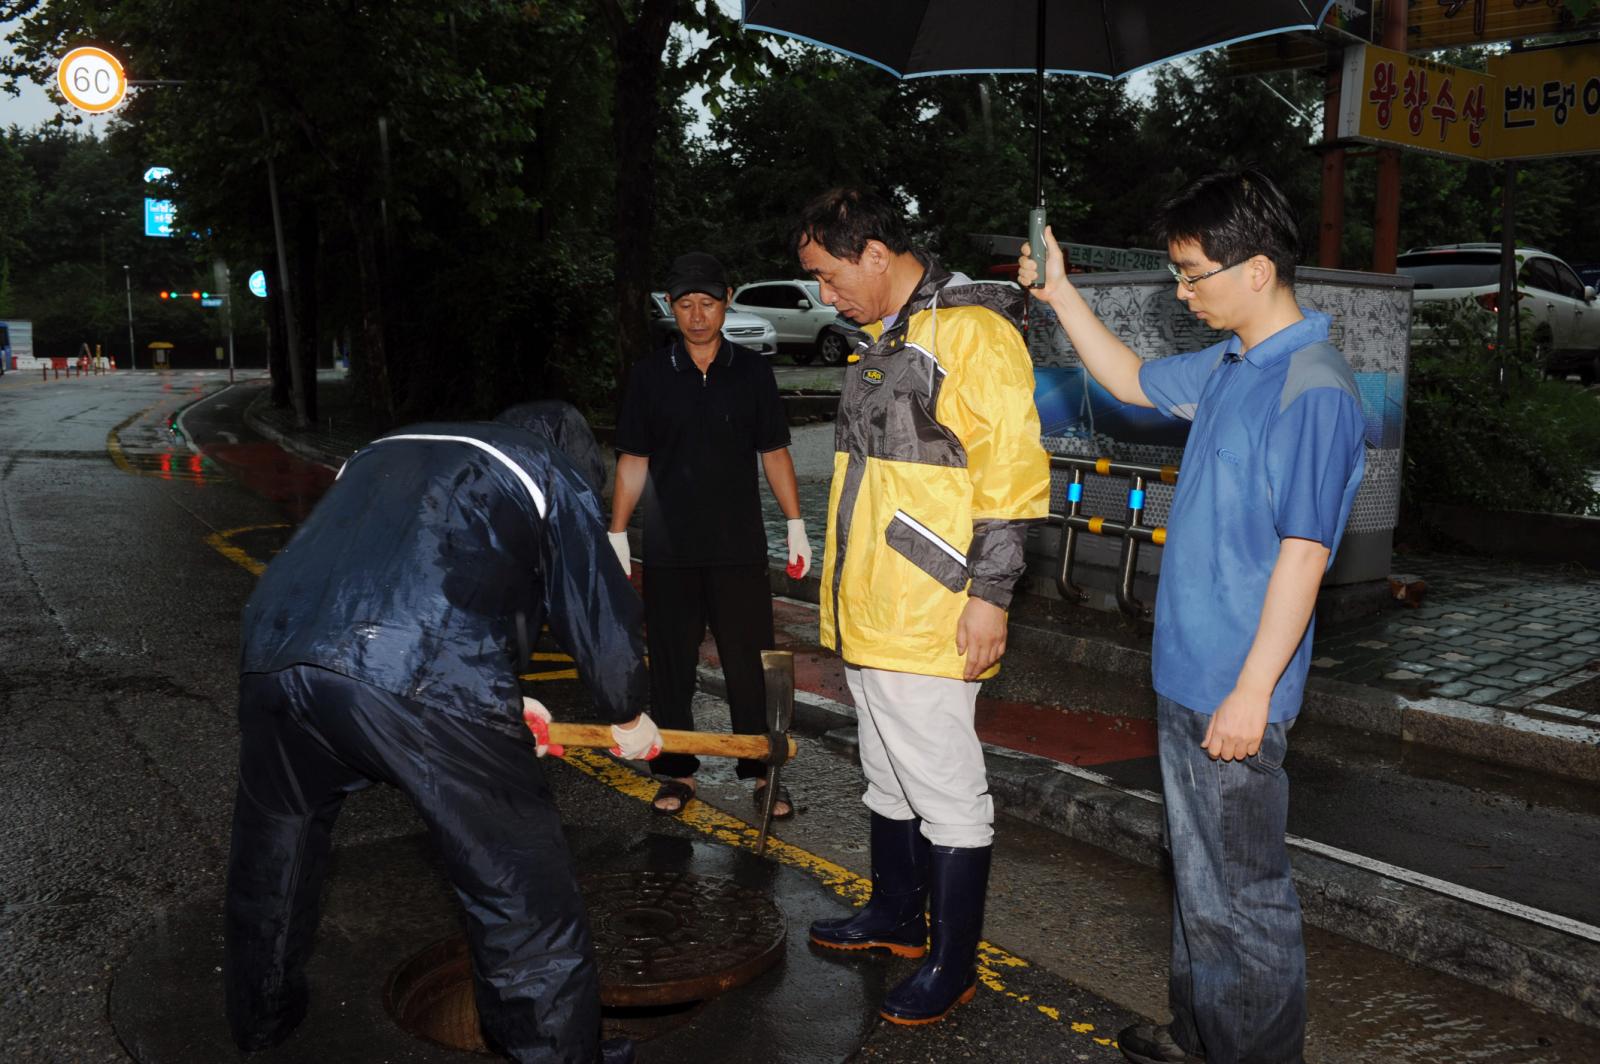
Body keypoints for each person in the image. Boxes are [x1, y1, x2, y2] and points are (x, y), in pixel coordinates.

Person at [1019, 170, 1366, 1064]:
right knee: (1199, 879)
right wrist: (1059, 291)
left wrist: (1253, 693)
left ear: (1256, 270)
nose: (1183, 291)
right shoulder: (1231, 362)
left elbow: (1305, 551)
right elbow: (1131, 379)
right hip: (1187, 672)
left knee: (1242, 894)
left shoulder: (1314, 386)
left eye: (1192, 273)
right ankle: (1203, 1031)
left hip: (1232, 691)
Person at [226, 402, 657, 1064]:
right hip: (416, 664)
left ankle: (262, 1019)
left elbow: (431, 570)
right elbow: (592, 601)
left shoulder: (388, 448)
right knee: (518, 887)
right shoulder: (547, 469)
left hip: (274, 648)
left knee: (275, 850)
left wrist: (504, 699)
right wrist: (627, 712)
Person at [793, 188, 1050, 1025]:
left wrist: (991, 594)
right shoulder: (886, 338)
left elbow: (1011, 475)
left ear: (874, 253)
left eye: (829, 277)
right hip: (871, 611)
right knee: (887, 773)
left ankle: (953, 964)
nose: (825, 296)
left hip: (930, 612)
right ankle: (897, 915)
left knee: (946, 790)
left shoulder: (971, 332)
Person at [609, 251, 812, 818]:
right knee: (671, 667)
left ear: (726, 302)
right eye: (685, 305)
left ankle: (760, 771)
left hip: (739, 547)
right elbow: (634, 458)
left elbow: (774, 452)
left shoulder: (751, 372)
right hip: (671, 549)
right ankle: (675, 772)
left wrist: (796, 524)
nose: (697, 316)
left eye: (708, 303)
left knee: (749, 665)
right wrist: (618, 532)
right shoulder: (651, 376)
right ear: (671, 308)